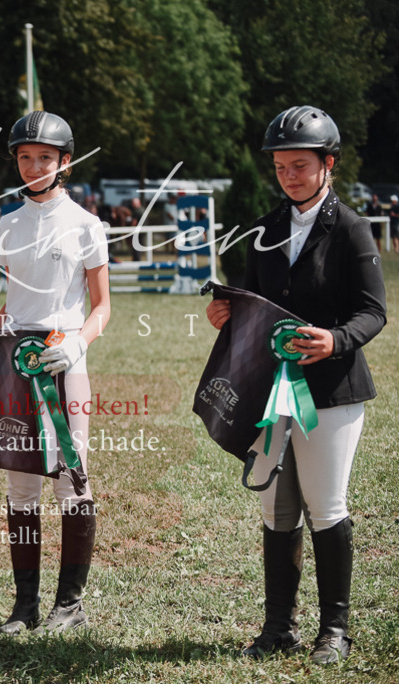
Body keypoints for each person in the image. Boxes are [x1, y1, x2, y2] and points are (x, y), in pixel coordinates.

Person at [206, 106, 386, 664]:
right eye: (282, 167)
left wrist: (335, 339)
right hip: (269, 387)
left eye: (301, 166)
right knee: (275, 509)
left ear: (328, 164)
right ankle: (277, 628)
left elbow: (373, 311)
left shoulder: (353, 228)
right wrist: (225, 311)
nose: (289, 176)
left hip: (331, 389)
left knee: (326, 506)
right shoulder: (264, 229)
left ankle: (334, 630)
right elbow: (248, 298)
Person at [0, 111, 110, 635]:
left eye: (44, 158)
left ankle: (69, 604)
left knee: (72, 481)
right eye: (25, 158)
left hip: (63, 361)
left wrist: (76, 342)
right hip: (13, 364)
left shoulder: (88, 225)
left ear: (64, 162)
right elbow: (12, 302)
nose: (33, 166)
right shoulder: (7, 222)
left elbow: (102, 308)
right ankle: (24, 605)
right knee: (19, 486)